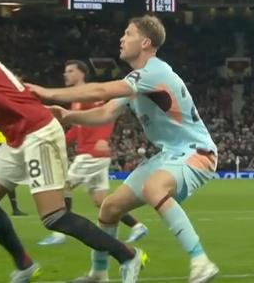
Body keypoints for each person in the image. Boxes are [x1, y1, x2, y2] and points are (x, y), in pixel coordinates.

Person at [0, 12, 146, 283]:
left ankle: (128, 255)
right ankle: (25, 265)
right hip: (18, 138)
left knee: (55, 217)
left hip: (38, 133)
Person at [27, 15, 219, 283]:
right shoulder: (136, 80)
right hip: (170, 154)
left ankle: (201, 261)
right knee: (109, 208)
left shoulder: (154, 72)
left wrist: (48, 93)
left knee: (154, 188)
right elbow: (105, 112)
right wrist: (68, 116)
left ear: (145, 42)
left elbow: (100, 91)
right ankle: (99, 273)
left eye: (128, 33)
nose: (121, 38)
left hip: (196, 152)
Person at [38, 60, 147, 250]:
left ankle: (59, 233)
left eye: (70, 71)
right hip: (93, 155)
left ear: (82, 73)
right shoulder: (76, 99)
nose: (66, 74)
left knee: (63, 185)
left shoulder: (86, 94)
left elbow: (105, 115)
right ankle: (138, 226)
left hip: (91, 154)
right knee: (101, 201)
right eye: (65, 70)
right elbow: (77, 129)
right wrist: (60, 143)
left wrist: (103, 138)